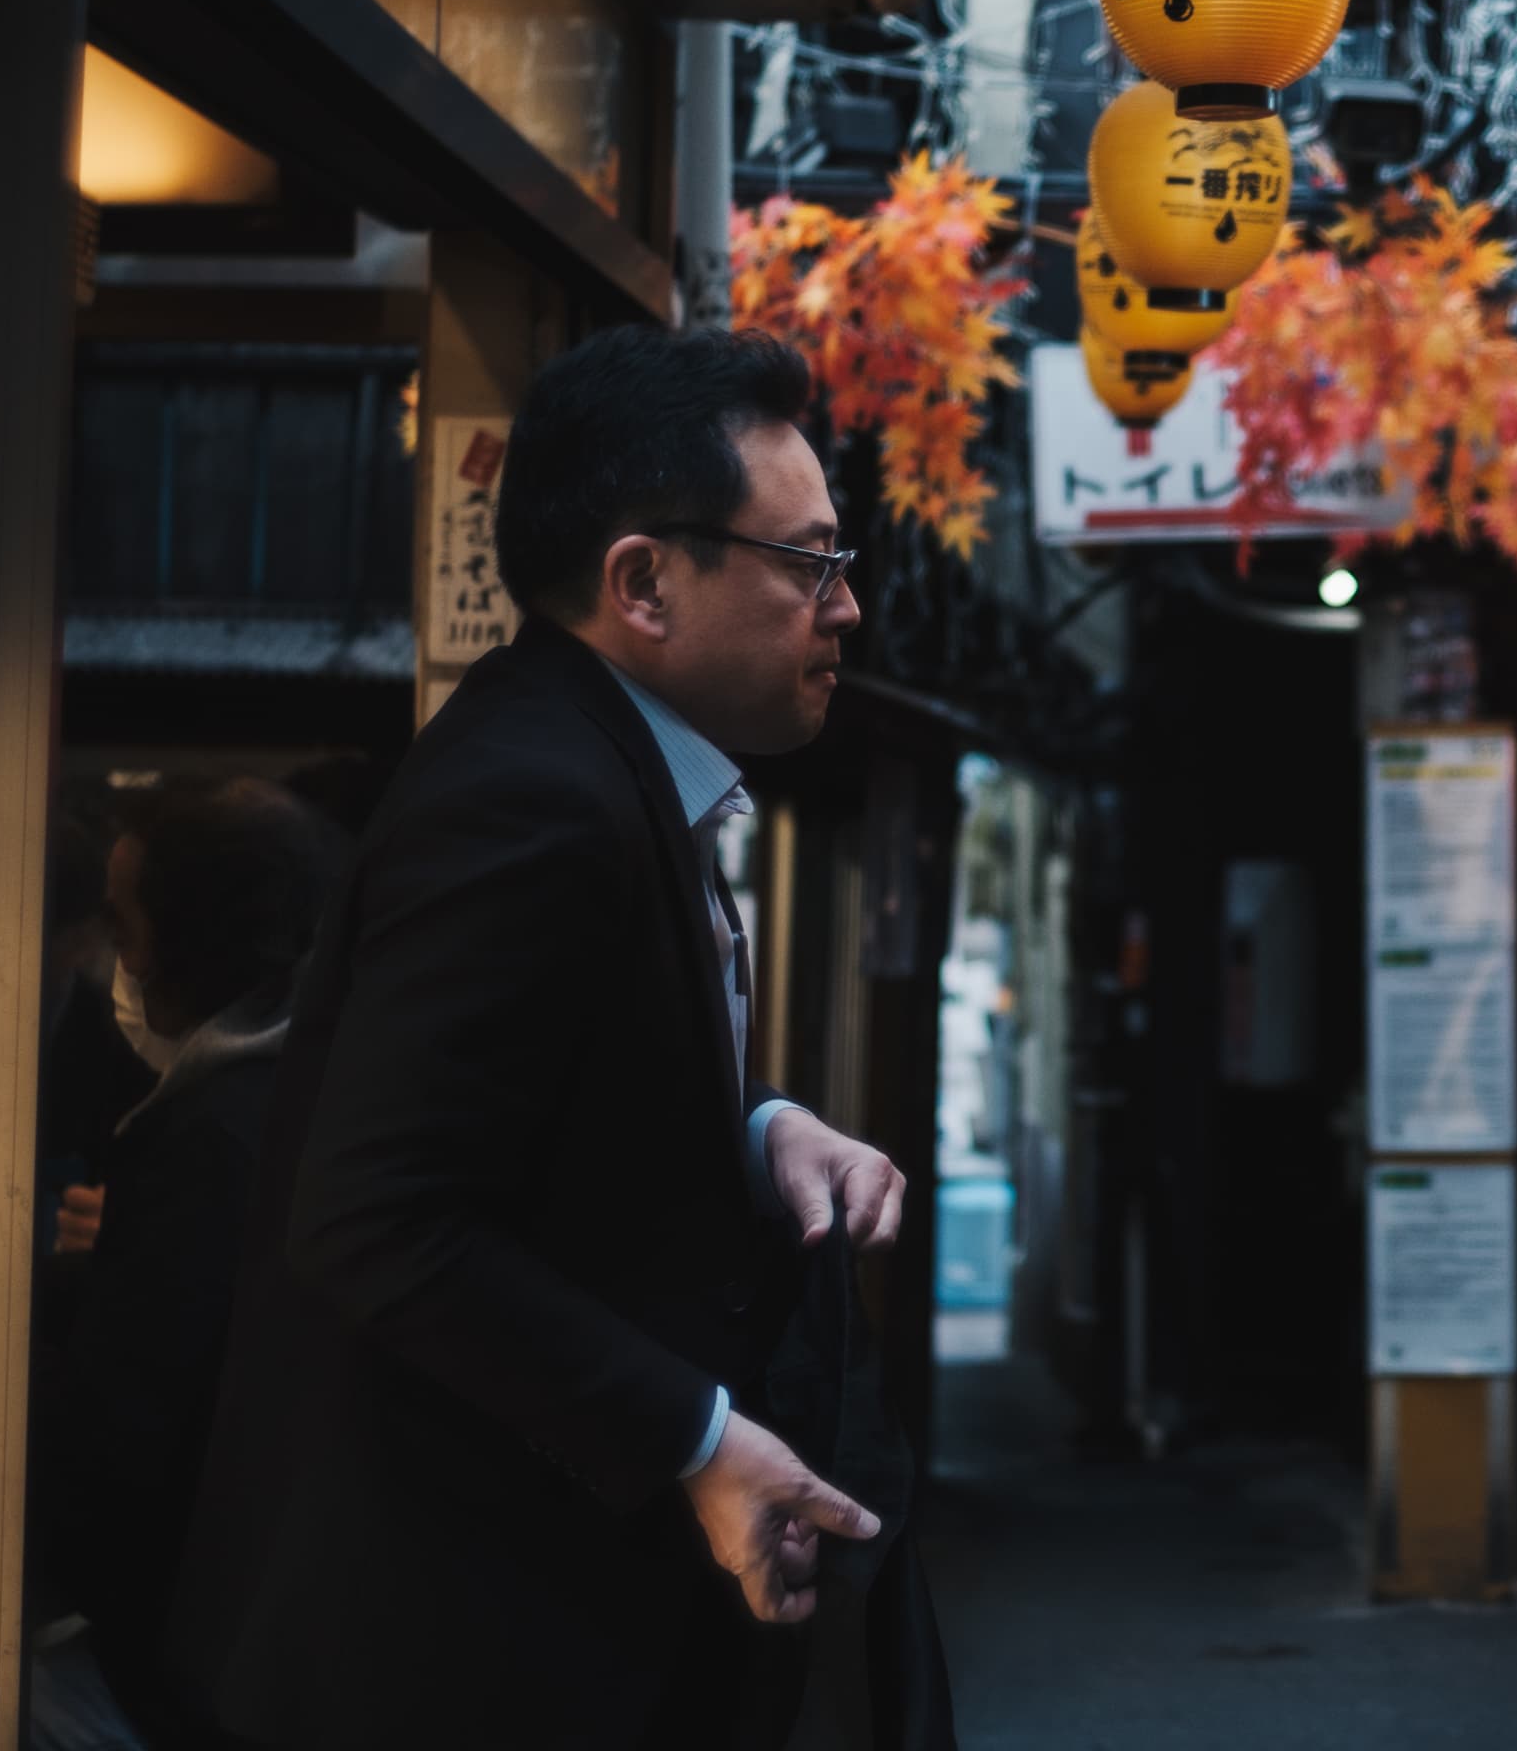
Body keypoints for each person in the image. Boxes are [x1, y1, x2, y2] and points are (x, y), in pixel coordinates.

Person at [177, 326, 906, 1751]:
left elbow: (558, 1111)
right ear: (644, 581)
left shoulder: (600, 766)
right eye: (810, 562)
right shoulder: (536, 797)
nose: (848, 607)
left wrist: (764, 1132)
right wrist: (697, 1440)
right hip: (454, 1644)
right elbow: (378, 1217)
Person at [48, 778, 338, 1747]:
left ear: (189, 940)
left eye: (127, 922)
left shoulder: (205, 1134)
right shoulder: (327, 1082)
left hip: (190, 1657)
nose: (117, 956)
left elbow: (126, 1439)